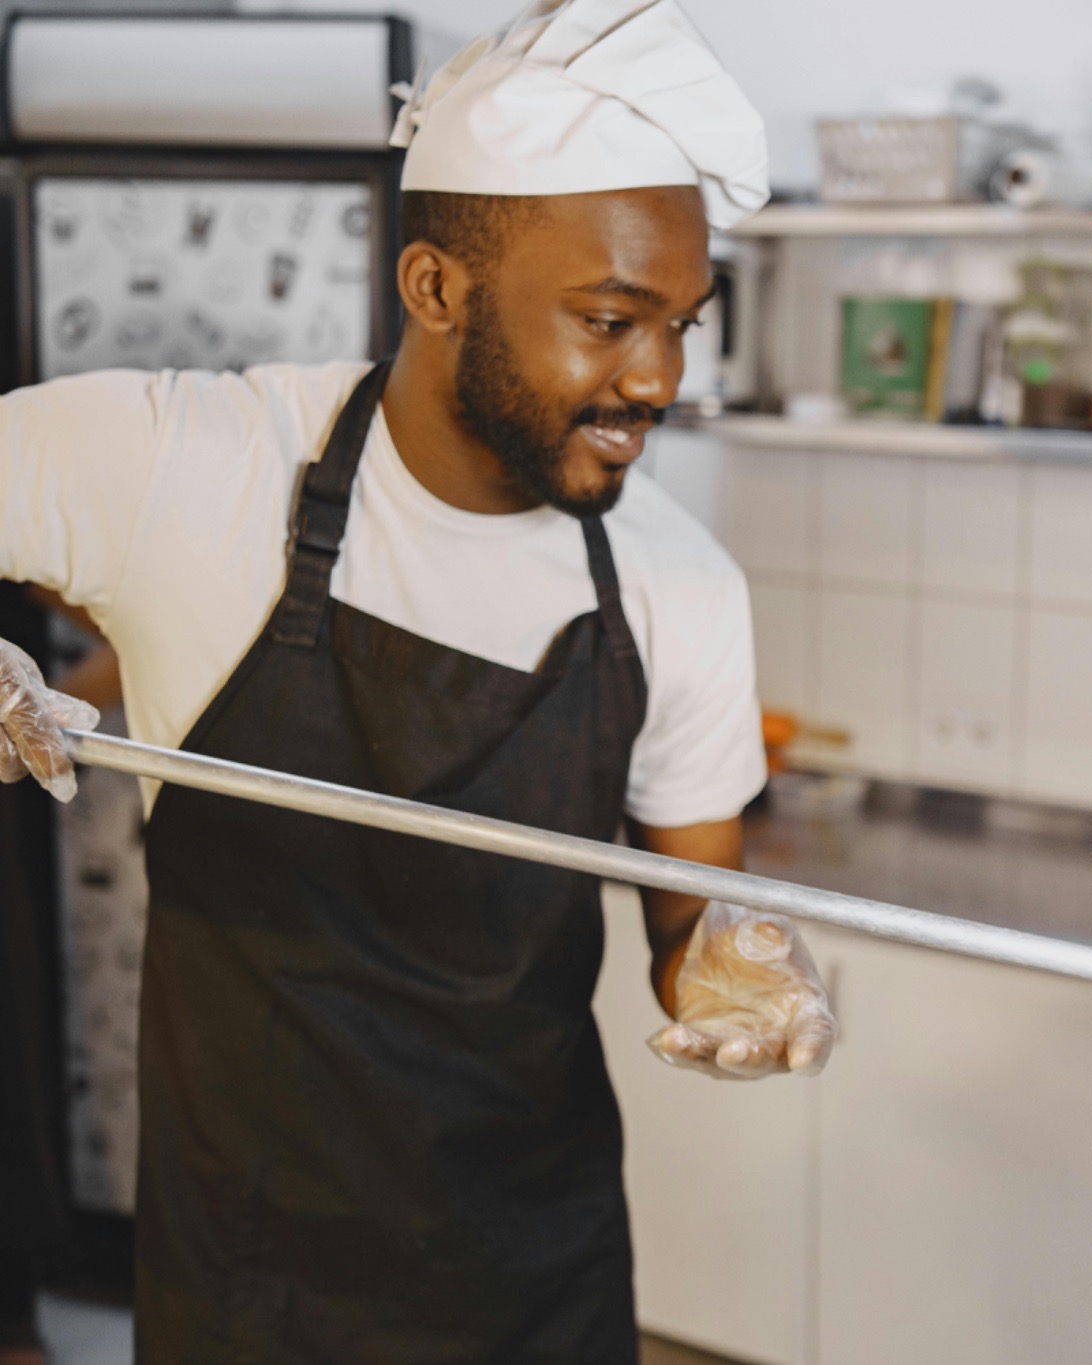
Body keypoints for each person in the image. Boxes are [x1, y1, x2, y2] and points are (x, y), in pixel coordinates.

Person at [0, 0, 835, 1358]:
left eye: (683, 320)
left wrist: (737, 967)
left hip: (534, 1287)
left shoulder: (683, 589)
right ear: (438, 288)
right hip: (245, 1288)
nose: (663, 375)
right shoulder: (185, 467)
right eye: (611, 318)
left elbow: (693, 928)